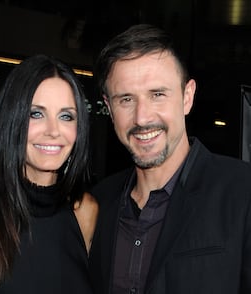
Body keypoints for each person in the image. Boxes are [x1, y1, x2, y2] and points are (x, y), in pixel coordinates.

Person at [88, 23, 251, 294]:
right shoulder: (97, 204)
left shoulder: (242, 192)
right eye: (126, 99)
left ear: (187, 97)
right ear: (109, 107)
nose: (142, 117)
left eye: (158, 95)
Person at [0, 54, 98, 293]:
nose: (53, 131)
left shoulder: (85, 212)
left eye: (66, 116)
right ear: (12, 119)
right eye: (36, 113)